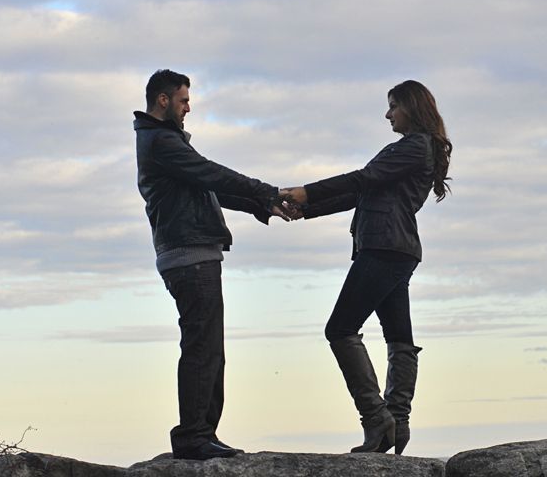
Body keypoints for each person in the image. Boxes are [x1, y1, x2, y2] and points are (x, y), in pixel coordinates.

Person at [280, 80, 452, 455]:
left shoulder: (414, 147)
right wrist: (304, 209)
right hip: (395, 249)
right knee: (398, 337)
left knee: (339, 329)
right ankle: (398, 422)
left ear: (412, 107)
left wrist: (306, 191)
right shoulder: (414, 149)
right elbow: (361, 192)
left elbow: (362, 178)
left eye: (393, 106)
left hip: (384, 247)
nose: (387, 114)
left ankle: (377, 419)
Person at [133, 69, 288, 460]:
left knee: (210, 349)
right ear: (163, 100)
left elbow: (208, 185)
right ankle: (192, 437)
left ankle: (203, 433)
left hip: (194, 254)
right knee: (203, 347)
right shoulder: (161, 142)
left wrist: (260, 204)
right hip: (189, 256)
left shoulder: (163, 142)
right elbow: (211, 173)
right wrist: (265, 190)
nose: (189, 108)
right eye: (184, 100)